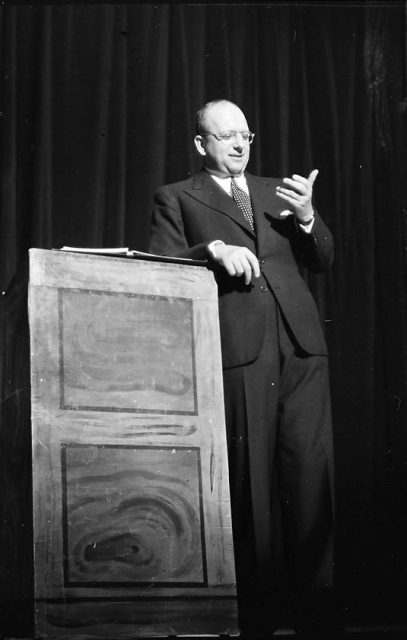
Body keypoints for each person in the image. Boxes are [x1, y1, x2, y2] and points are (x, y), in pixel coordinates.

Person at [149, 99, 342, 640]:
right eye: (226, 135)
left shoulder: (278, 190)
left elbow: (322, 259)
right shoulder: (176, 197)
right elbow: (163, 265)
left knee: (311, 481)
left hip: (301, 347)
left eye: (246, 136)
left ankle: (319, 619)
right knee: (251, 484)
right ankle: (257, 618)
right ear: (200, 143)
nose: (239, 144)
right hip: (240, 350)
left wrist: (307, 216)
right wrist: (209, 249)